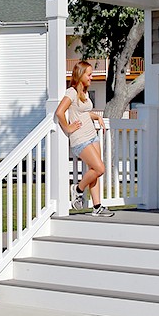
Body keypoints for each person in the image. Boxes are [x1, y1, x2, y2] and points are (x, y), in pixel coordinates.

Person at [55, 60, 113, 216]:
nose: (91, 77)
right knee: (100, 168)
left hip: (92, 136)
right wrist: (67, 128)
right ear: (80, 75)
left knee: (94, 170)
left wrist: (96, 117)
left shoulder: (85, 93)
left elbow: (84, 112)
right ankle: (78, 189)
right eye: (89, 74)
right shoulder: (72, 92)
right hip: (80, 139)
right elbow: (59, 112)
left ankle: (97, 207)